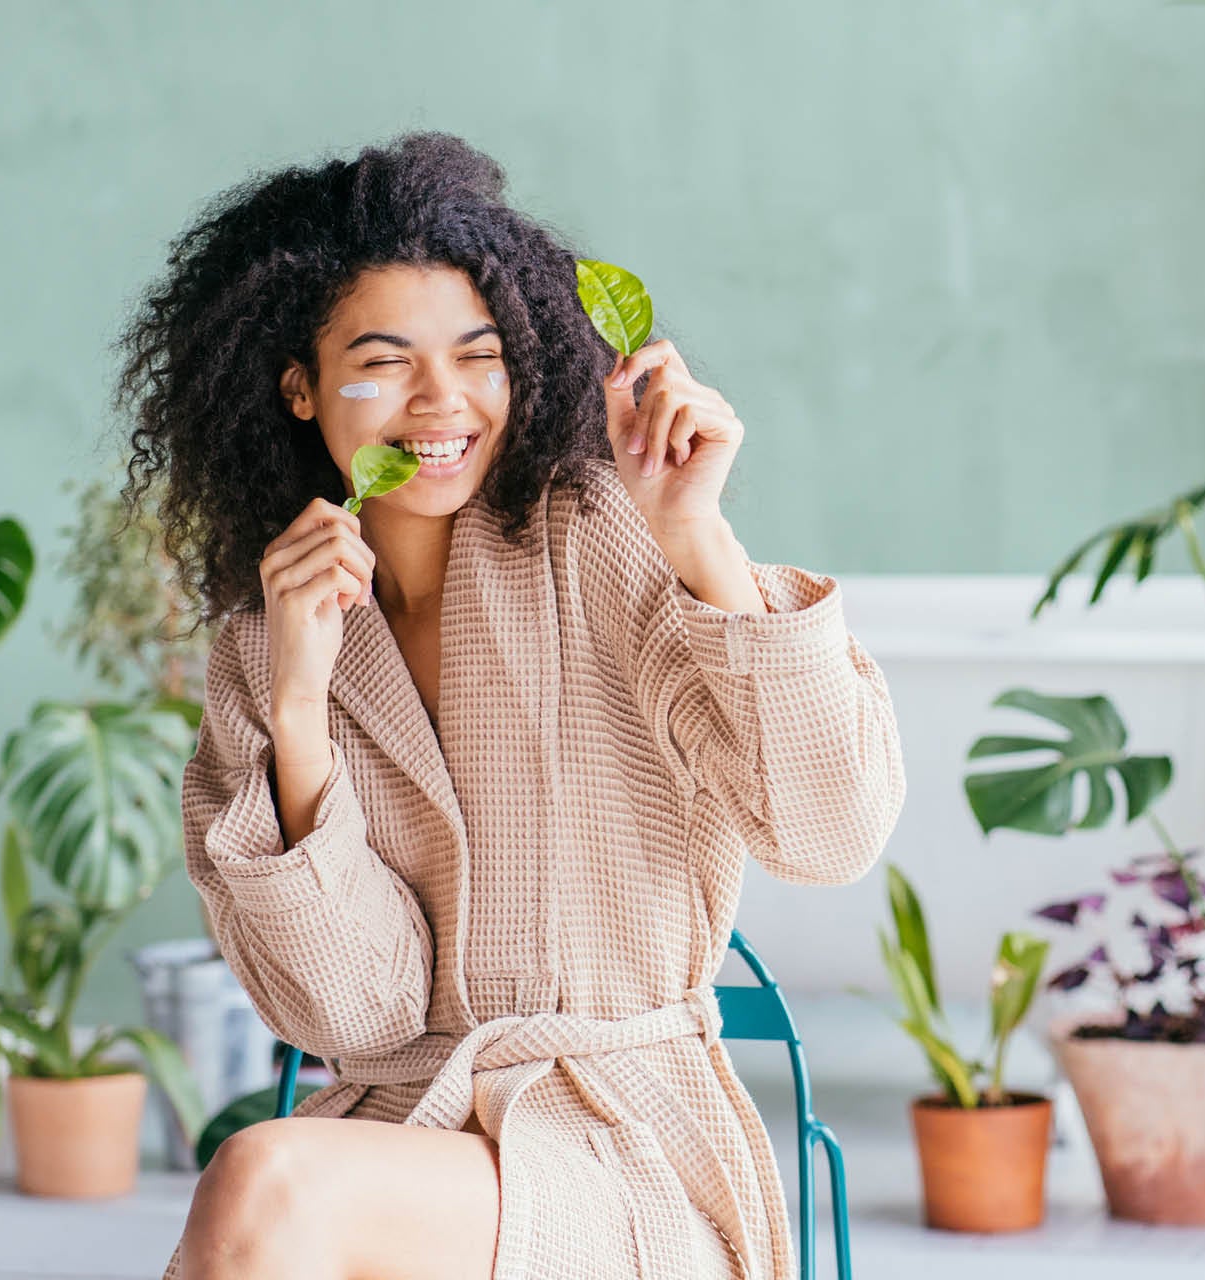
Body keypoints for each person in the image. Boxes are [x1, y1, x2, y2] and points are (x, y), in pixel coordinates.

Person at [114, 131, 906, 1279]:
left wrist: (696, 534)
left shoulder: (602, 537)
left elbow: (833, 830)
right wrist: (297, 708)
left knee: (260, 1179)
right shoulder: (264, 646)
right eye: (383, 360)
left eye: (477, 355)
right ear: (296, 382)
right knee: (271, 1192)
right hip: (401, 1154)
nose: (442, 400)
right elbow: (361, 1018)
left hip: (630, 1156)